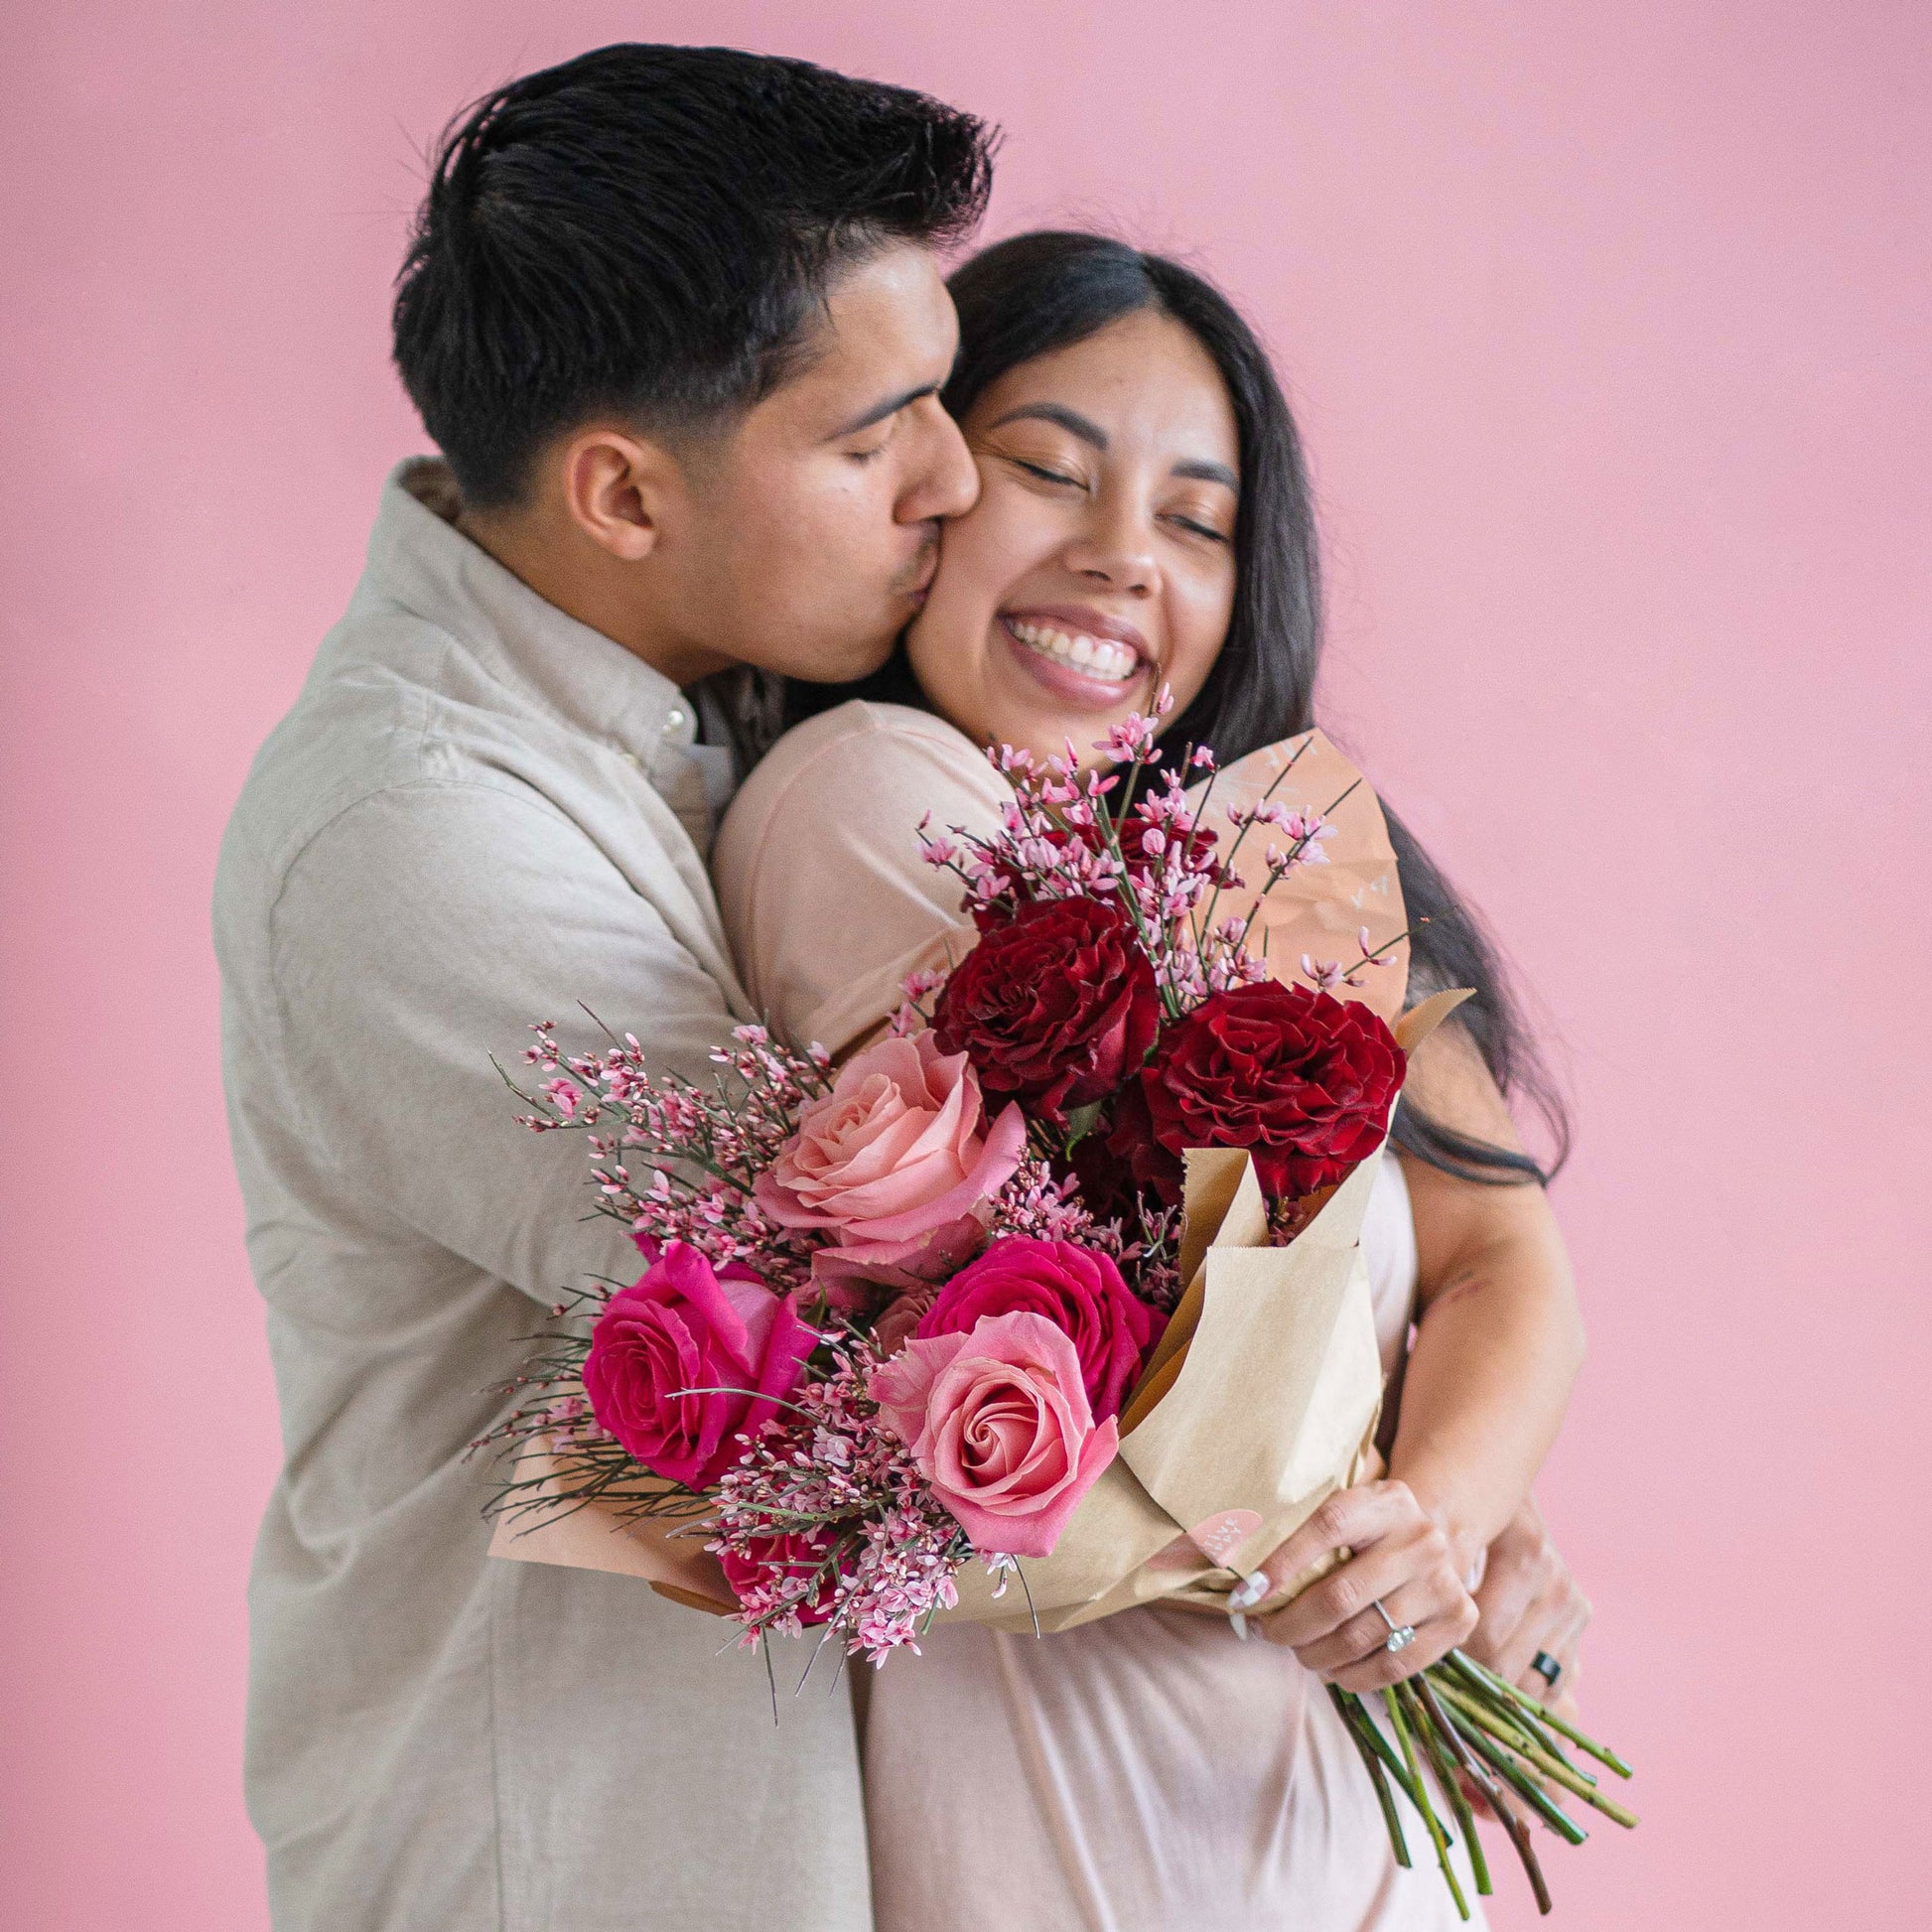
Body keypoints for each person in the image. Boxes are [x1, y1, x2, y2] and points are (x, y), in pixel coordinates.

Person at [713, 231, 1592, 1929]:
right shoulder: (865, 788)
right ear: (926, 496)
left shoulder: (1300, 865)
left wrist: (1444, 1527)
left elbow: (1501, 1259)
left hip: (1345, 1839)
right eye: (1050, 473)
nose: (1121, 560)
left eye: (1195, 522)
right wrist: (1404, 1508)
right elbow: (1130, 1314)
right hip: (1075, 1833)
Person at [213, 45, 994, 1931]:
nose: (955, 484)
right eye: (873, 433)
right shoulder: (409, 835)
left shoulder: (718, 677)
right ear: (624, 496)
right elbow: (915, 1311)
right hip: (554, 1863)